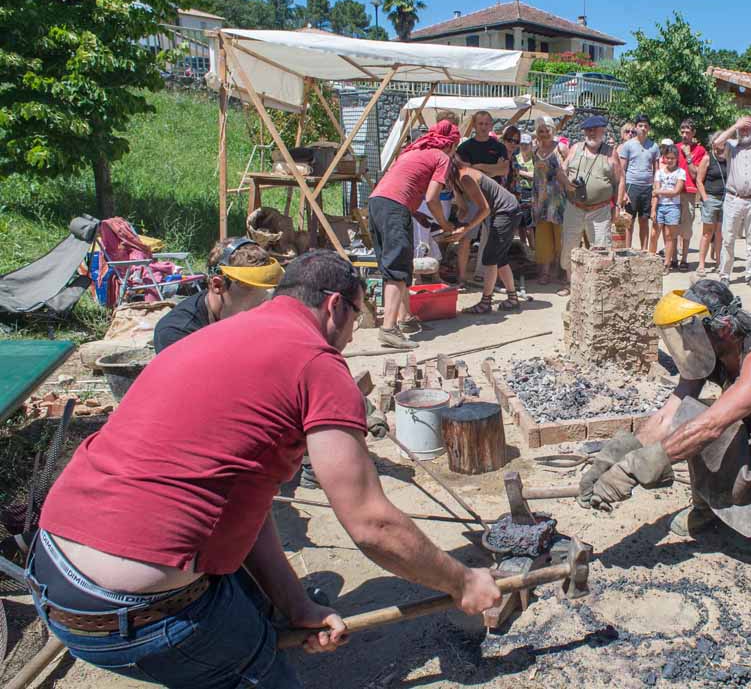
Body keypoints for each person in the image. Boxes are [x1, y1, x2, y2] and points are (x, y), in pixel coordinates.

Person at [27, 250, 502, 688]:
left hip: (50, 569)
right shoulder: (317, 363)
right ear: (335, 306)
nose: (355, 332)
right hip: (133, 615)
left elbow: (247, 506)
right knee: (267, 674)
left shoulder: (211, 337)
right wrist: (463, 582)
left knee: (258, 613)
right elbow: (372, 524)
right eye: (358, 316)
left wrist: (294, 604)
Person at [578, 279, 751, 549]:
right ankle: (709, 508)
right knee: (689, 416)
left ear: (724, 329)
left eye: (690, 332)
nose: (686, 342)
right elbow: (669, 415)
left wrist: (633, 470)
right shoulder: (709, 351)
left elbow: (711, 426)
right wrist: (616, 457)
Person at [369, 120, 460, 350]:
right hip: (395, 208)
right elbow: (431, 198)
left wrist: (415, 214)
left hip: (377, 203)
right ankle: (388, 330)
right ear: (451, 144)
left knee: (393, 265)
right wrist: (444, 224)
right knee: (397, 268)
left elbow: (405, 184)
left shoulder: (414, 150)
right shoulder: (442, 158)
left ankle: (406, 319)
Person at [153, 238, 282, 352]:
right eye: (251, 291)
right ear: (218, 286)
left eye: (267, 291)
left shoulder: (257, 318)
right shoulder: (177, 333)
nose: (264, 302)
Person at [451, 158, 523, 314]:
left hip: (506, 211)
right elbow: (464, 205)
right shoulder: (457, 179)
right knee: (499, 257)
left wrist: (465, 229)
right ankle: (512, 298)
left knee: (490, 258)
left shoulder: (465, 177)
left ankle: (485, 303)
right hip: (505, 211)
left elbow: (485, 209)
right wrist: (461, 214)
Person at [713, 115, 751, 287]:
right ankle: (725, 275)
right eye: (742, 128)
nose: (745, 131)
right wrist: (735, 126)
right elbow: (716, 143)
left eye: (748, 127)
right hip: (733, 199)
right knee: (728, 239)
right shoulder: (731, 146)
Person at [562, 115, 620, 280]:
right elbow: (562, 170)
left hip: (600, 210)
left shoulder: (610, 153)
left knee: (601, 250)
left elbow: (619, 181)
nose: (591, 133)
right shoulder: (575, 148)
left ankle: (598, 286)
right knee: (570, 247)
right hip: (574, 207)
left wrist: (617, 206)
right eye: (588, 130)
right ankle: (571, 283)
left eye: (595, 130)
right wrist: (566, 183)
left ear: (603, 131)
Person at [530, 118, 571, 290]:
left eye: (547, 130)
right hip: (540, 196)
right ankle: (546, 271)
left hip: (558, 196)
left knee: (561, 234)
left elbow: (569, 169)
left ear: (553, 130)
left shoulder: (560, 148)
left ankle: (562, 270)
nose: (544, 133)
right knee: (543, 235)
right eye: (541, 130)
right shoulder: (535, 150)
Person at [618, 114, 660, 250]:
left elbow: (657, 170)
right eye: (640, 126)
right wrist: (623, 191)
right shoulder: (628, 145)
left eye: (646, 126)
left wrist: (655, 188)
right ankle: (627, 250)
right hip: (631, 185)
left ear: (649, 128)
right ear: (636, 127)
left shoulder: (654, 146)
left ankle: (643, 251)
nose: (643, 128)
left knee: (644, 220)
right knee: (629, 220)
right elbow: (622, 170)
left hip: (647, 187)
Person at [677, 119, 707, 270]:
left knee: (687, 227)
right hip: (674, 192)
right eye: (682, 132)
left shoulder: (700, 151)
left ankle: (684, 259)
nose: (684, 135)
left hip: (689, 192)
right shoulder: (675, 148)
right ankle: (673, 257)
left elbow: (695, 174)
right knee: (673, 225)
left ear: (693, 133)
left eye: (687, 132)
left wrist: (688, 156)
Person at [695, 133, 727, 274]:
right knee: (707, 233)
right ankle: (701, 264)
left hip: (725, 199)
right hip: (711, 198)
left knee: (720, 233)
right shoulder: (707, 158)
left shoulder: (728, 158)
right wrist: (705, 199)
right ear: (714, 143)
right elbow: (699, 180)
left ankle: (719, 263)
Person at [652, 142, 686, 271]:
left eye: (672, 158)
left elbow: (676, 191)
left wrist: (659, 191)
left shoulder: (680, 172)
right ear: (664, 158)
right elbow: (655, 193)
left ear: (676, 158)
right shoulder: (659, 172)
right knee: (654, 234)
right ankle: (651, 259)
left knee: (669, 236)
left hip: (673, 206)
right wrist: (653, 209)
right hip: (660, 206)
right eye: (668, 157)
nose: (670, 160)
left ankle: (667, 263)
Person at [457, 110, 510, 185]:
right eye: (480, 124)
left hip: (495, 192)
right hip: (472, 191)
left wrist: (480, 166)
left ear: (491, 126)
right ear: (474, 125)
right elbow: (466, 172)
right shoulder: (464, 148)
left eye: (486, 124)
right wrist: (494, 170)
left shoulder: (499, 147)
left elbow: (504, 170)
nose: (483, 127)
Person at [514, 132, 536, 250]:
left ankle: (532, 248)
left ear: (530, 145)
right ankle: (523, 247)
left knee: (529, 223)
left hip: (531, 191)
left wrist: (520, 172)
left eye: (526, 144)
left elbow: (535, 175)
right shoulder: (516, 158)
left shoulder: (535, 158)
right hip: (518, 191)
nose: (524, 147)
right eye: (522, 144)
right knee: (520, 223)